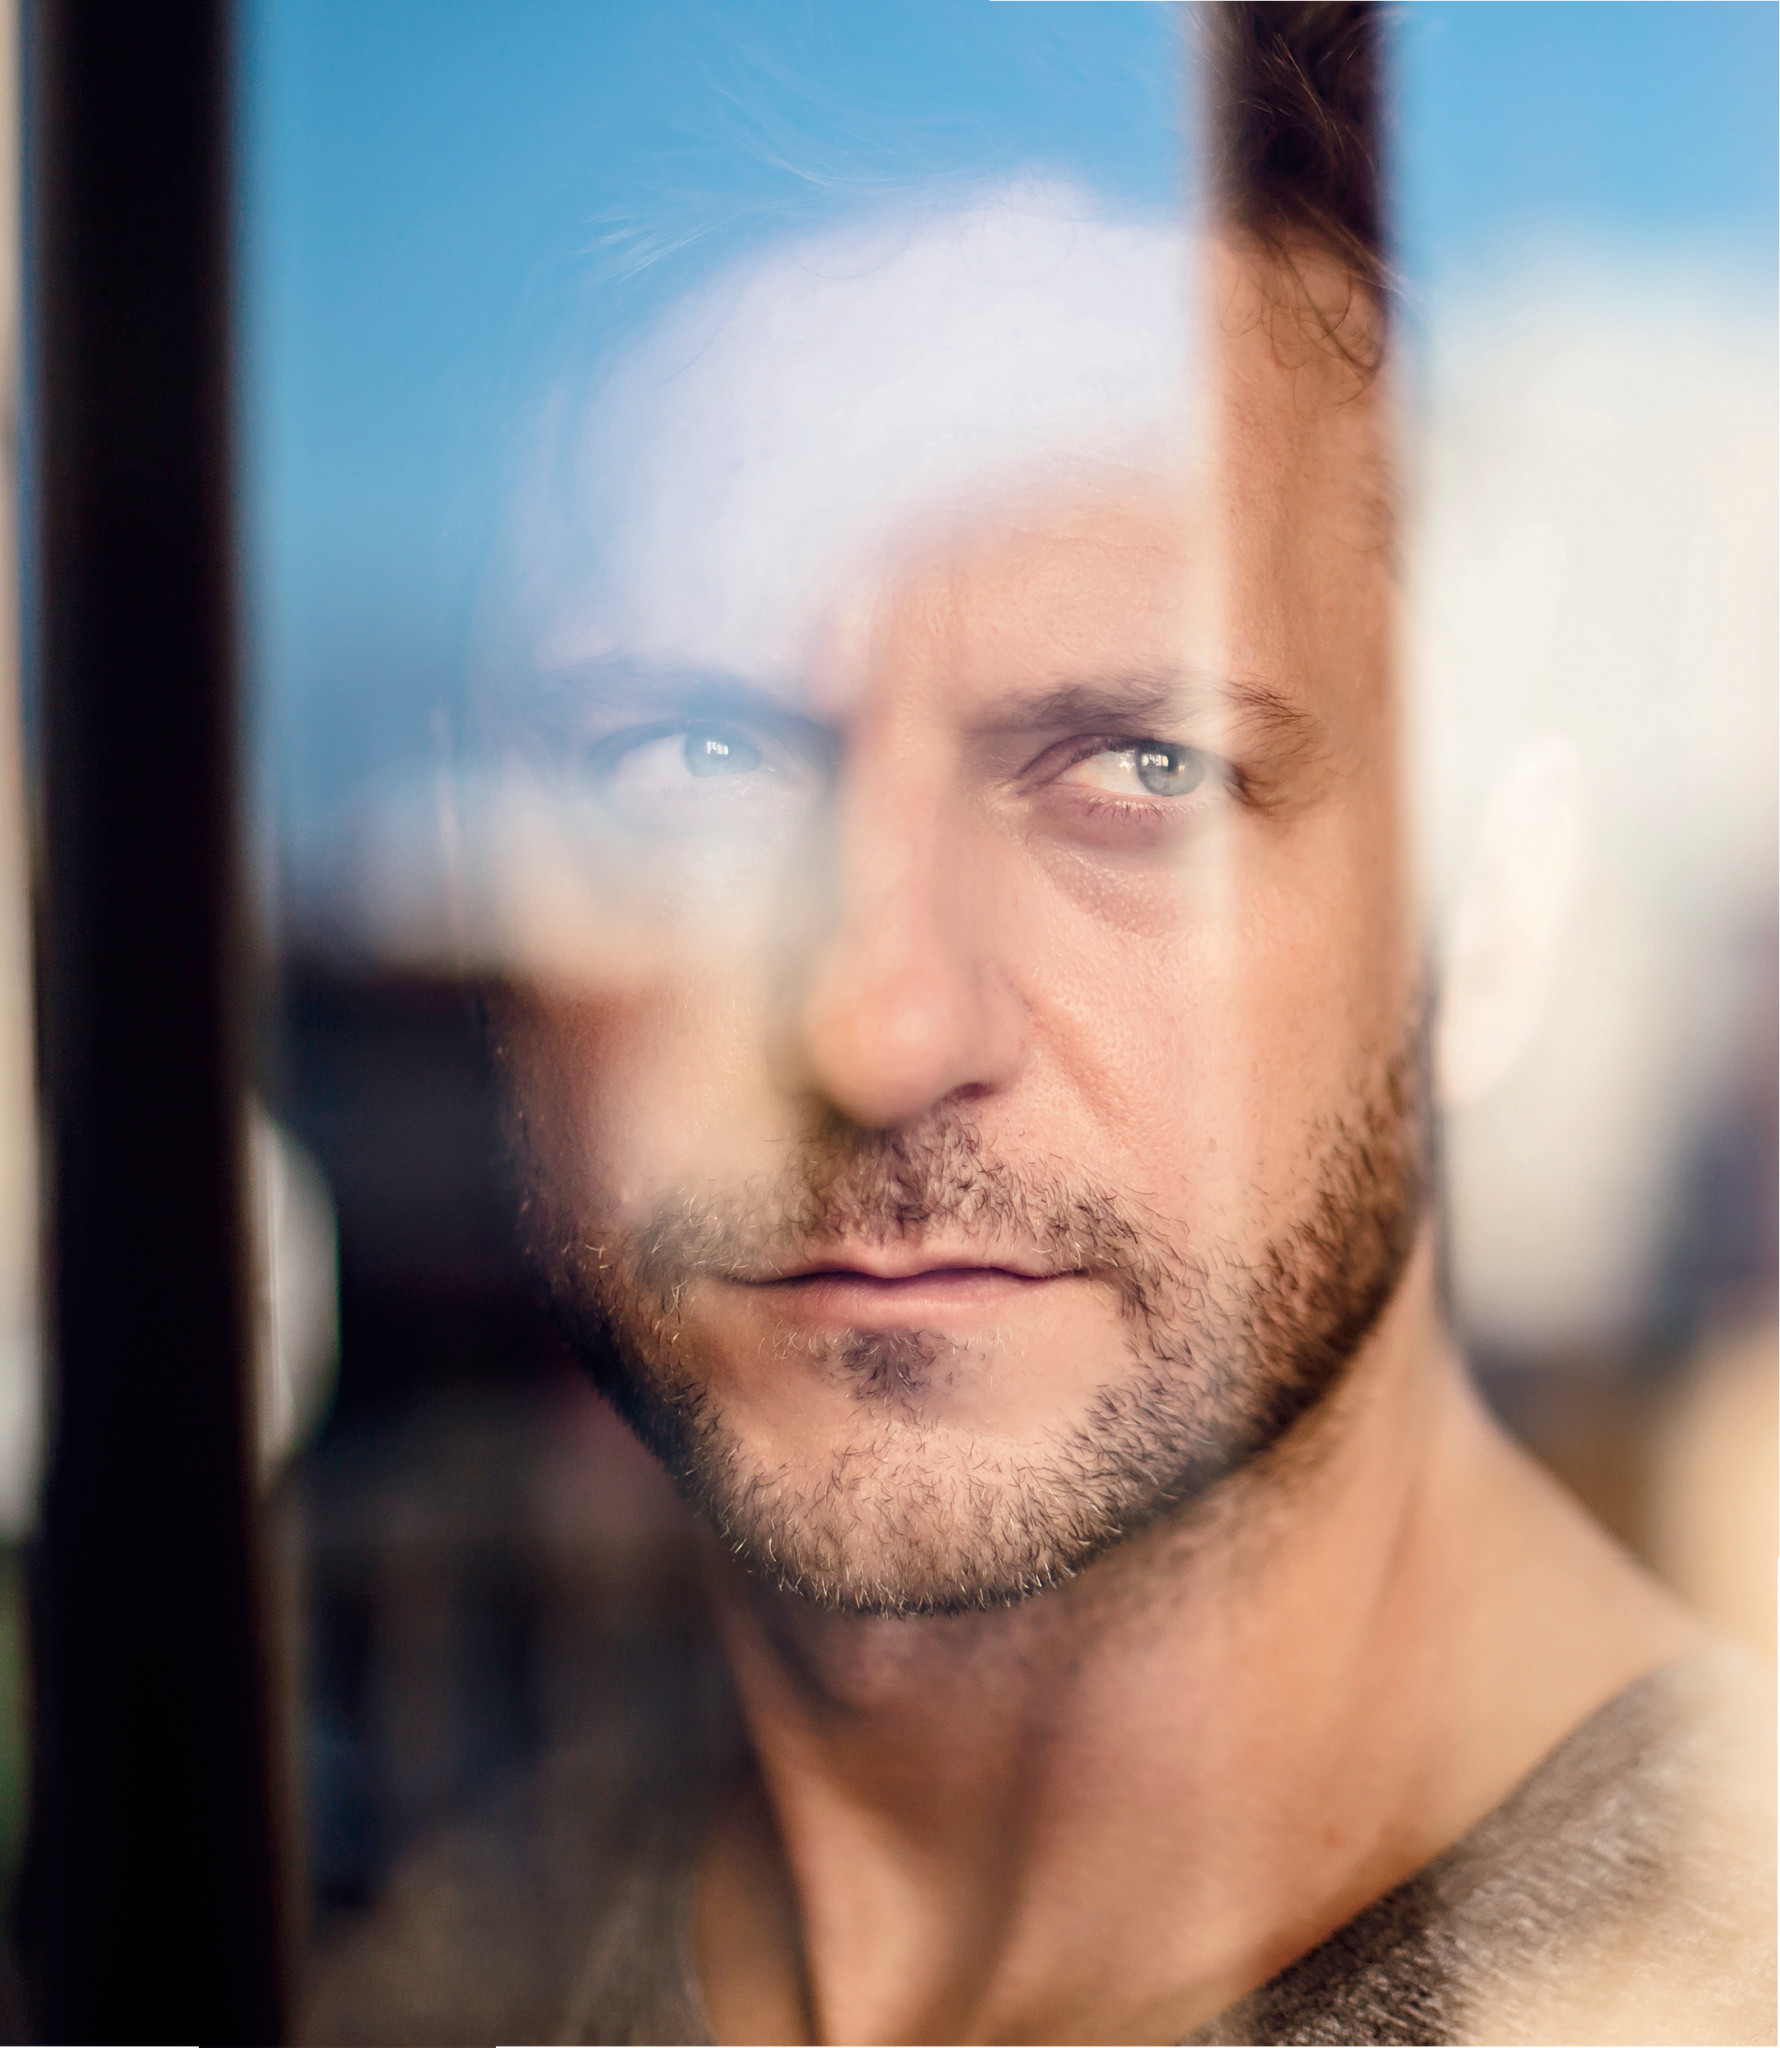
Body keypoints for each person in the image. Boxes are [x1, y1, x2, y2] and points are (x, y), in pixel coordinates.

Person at [304, 8, 1774, 2042]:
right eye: (694, 757)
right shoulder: (433, 1971)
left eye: (1142, 770)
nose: (877, 1024)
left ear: (1489, 915)